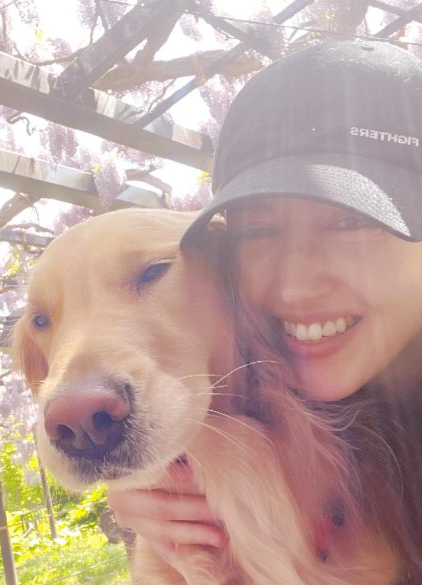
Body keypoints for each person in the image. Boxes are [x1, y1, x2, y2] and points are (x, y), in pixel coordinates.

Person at [108, 39, 422, 579]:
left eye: (351, 221)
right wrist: (154, 477)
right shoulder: (252, 388)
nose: (294, 288)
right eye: (257, 230)